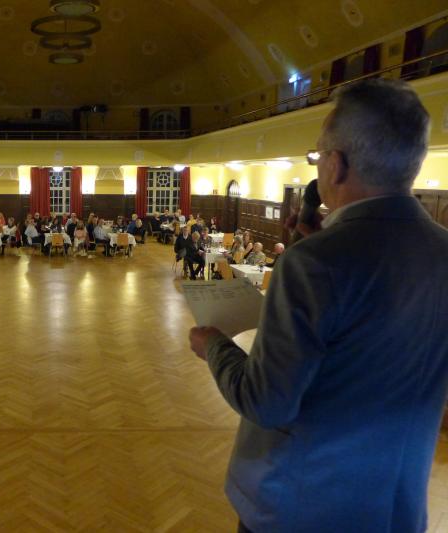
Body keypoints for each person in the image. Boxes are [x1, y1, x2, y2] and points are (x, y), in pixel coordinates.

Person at [188, 79, 448, 533]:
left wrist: (213, 345)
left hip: (302, 505)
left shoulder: (315, 263)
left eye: (317, 153)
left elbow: (266, 402)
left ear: (337, 164)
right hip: (395, 508)